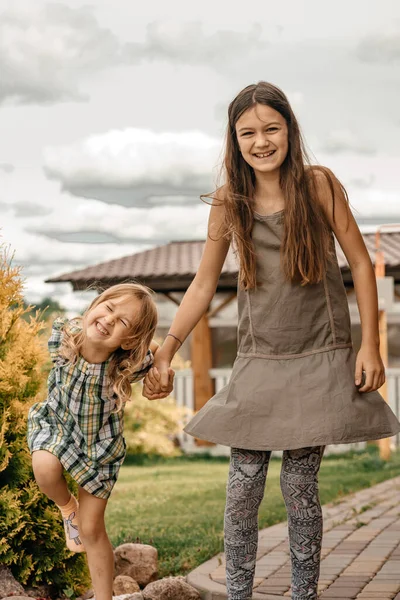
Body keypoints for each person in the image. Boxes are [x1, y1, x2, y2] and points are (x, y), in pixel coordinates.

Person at [142, 82, 400, 600]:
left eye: (271, 128)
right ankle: (240, 594)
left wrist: (369, 343)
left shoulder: (319, 184)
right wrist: (167, 348)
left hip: (320, 354)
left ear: (290, 130)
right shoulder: (228, 202)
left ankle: (303, 594)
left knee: (301, 489)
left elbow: (361, 265)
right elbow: (201, 282)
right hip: (260, 359)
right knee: (242, 489)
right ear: (234, 140)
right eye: (248, 132)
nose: (261, 141)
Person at [27, 283, 173, 600]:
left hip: (99, 448)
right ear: (96, 305)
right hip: (58, 427)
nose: (109, 320)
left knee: (93, 530)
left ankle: (103, 597)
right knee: (45, 467)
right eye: (108, 308)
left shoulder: (127, 365)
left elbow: (159, 355)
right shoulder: (66, 339)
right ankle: (68, 508)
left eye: (122, 322)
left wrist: (163, 369)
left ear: (131, 339)